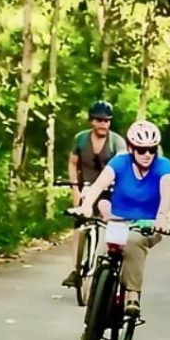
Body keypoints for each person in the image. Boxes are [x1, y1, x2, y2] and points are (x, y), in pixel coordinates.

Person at [73, 120, 170, 317]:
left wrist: (162, 217)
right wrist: (85, 206)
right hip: (118, 221)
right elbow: (98, 186)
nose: (147, 155)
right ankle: (92, 320)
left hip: (148, 224)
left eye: (151, 150)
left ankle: (133, 295)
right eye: (141, 149)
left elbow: (166, 191)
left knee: (133, 242)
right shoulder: (120, 162)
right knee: (102, 255)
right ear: (130, 148)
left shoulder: (163, 165)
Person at [62, 100, 126, 288]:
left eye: (106, 121)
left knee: (112, 223)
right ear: (91, 121)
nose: (103, 124)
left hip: (109, 189)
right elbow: (73, 163)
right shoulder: (81, 139)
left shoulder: (116, 142)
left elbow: (123, 166)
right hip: (86, 188)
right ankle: (76, 269)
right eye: (99, 120)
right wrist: (75, 188)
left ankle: (112, 266)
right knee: (79, 226)